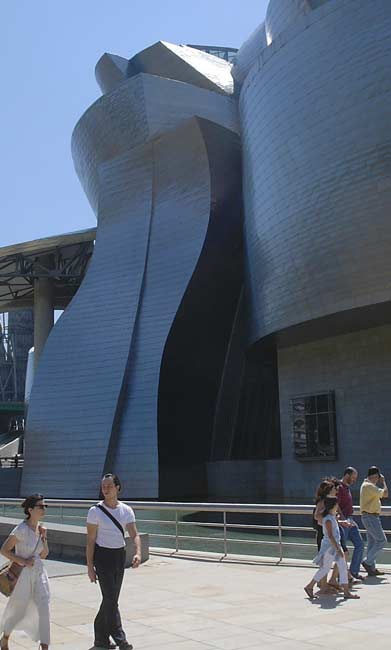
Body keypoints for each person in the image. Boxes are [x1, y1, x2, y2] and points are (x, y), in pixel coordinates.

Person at [86, 473, 141, 650]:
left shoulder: (126, 510)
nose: (106, 489)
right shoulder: (95, 511)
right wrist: (90, 567)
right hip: (102, 557)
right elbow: (90, 541)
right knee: (110, 598)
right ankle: (120, 639)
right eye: (103, 486)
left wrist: (138, 553)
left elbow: (134, 534)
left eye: (109, 486)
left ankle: (100, 640)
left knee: (111, 599)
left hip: (119, 556)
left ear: (118, 487)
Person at [0, 494, 50, 650]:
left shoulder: (40, 528)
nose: (43, 509)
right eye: (40, 506)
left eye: (44, 506)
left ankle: (44, 646)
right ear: (30, 509)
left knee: (44, 607)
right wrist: (24, 561)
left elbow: (44, 554)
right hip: (24, 576)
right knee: (18, 609)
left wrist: (44, 537)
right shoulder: (21, 529)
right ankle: (5, 637)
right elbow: (4, 550)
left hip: (39, 573)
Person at [304, 496, 359, 600]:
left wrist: (338, 520)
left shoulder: (331, 517)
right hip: (331, 548)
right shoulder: (328, 519)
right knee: (326, 568)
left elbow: (329, 527)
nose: (338, 506)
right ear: (333, 506)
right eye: (337, 504)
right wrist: (338, 549)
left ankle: (346, 592)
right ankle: (309, 586)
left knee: (341, 567)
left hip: (333, 546)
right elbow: (330, 535)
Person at [337, 466, 365, 580]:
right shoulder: (339, 487)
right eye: (353, 477)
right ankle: (341, 577)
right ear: (347, 475)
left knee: (360, 544)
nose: (354, 480)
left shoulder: (347, 487)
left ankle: (353, 572)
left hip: (350, 519)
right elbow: (336, 504)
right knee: (343, 550)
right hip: (344, 521)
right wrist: (343, 519)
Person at [360, 466, 388, 576]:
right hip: (370, 517)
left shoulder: (368, 486)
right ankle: (367, 562)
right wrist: (384, 482)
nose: (377, 480)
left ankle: (371, 568)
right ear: (374, 476)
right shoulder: (369, 486)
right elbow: (385, 494)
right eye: (377, 477)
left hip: (371, 517)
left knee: (372, 543)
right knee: (382, 540)